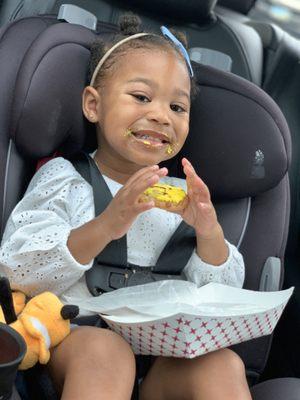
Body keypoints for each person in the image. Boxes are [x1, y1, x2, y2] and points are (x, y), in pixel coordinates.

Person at [0, 14, 252, 400]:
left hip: (161, 365)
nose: (161, 116)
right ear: (92, 105)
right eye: (141, 97)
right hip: (78, 349)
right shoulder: (66, 179)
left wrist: (208, 231)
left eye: (178, 108)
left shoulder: (185, 197)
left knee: (222, 364)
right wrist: (108, 223)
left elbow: (220, 295)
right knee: (108, 351)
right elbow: (19, 267)